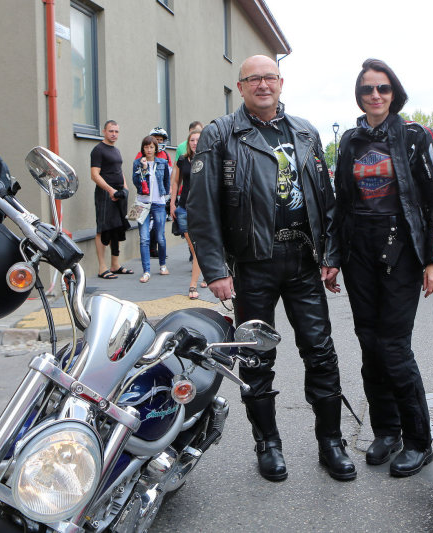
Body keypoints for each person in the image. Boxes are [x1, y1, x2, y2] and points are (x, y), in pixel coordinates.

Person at [188, 54, 355, 482]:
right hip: (252, 265)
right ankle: (268, 445)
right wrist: (215, 271)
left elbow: (327, 201)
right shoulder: (220, 134)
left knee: (321, 353)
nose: (263, 84)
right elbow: (201, 209)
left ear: (281, 82)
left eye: (269, 77)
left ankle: (331, 443)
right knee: (257, 359)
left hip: (302, 261)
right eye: (253, 79)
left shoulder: (305, 131)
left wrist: (330, 255)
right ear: (240, 87)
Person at [333, 58, 433, 477]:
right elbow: (340, 204)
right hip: (358, 253)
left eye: (383, 88)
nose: (376, 95)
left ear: (394, 92)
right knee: (369, 344)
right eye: (368, 89)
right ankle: (386, 430)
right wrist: (332, 258)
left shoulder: (416, 136)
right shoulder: (349, 140)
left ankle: (419, 441)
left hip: (401, 251)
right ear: (360, 95)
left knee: (394, 347)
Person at [90, 120, 132, 279]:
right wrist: (110, 190)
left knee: (117, 228)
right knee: (103, 229)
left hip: (119, 194)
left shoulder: (116, 150)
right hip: (105, 195)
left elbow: (119, 170)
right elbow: (94, 175)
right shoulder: (98, 150)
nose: (114, 134)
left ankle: (115, 265)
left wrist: (125, 188)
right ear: (104, 131)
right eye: (111, 131)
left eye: (116, 131)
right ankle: (102, 268)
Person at [169, 126, 205, 298]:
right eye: (192, 140)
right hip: (183, 207)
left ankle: (193, 285)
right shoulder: (182, 160)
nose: (195, 143)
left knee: (197, 248)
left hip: (201, 208)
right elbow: (175, 182)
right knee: (193, 247)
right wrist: (172, 204)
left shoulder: (208, 159)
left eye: (198, 140)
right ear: (188, 142)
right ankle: (205, 272)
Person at [132, 136, 171, 283]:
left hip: (158, 203)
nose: (149, 150)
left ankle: (162, 265)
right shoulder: (138, 163)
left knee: (160, 237)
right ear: (143, 148)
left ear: (156, 149)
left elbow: (167, 180)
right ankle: (146, 271)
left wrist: (165, 196)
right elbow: (136, 182)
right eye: (146, 147)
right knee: (144, 239)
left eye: (151, 147)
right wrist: (143, 169)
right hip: (142, 202)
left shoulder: (162, 162)